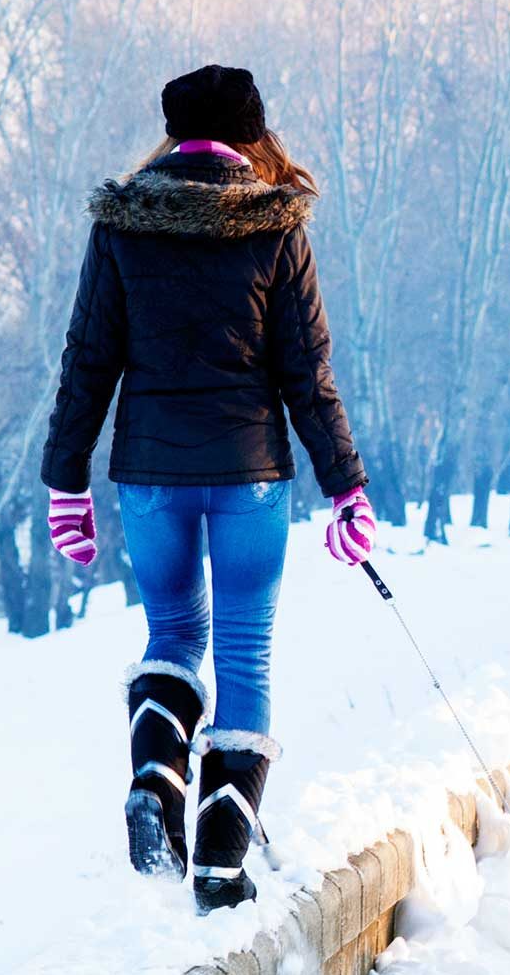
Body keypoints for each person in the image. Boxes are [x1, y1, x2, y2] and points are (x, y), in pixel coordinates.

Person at [39, 65, 379, 913]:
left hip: (149, 474)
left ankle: (155, 784)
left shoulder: (124, 223)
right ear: (252, 134)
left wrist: (66, 485)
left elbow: (88, 360)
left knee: (173, 631)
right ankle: (222, 860)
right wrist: (348, 488)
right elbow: (309, 372)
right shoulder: (275, 225)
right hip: (251, 480)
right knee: (244, 652)